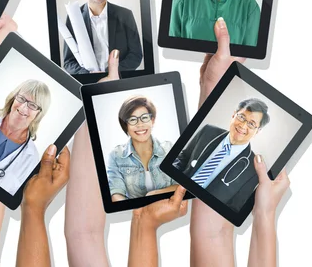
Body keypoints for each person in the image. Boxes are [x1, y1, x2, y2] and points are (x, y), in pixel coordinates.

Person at [64, 18, 290, 267]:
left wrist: (95, 104)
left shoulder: (159, 148)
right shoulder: (210, 135)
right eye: (242, 119)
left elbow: (83, 235)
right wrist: (213, 86)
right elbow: (211, 235)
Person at [173, 97, 270, 211]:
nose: (243, 126)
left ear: (257, 131)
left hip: (203, 214)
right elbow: (182, 158)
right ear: (233, 115)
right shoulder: (208, 131)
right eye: (242, 117)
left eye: (251, 124)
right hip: (175, 190)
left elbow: (234, 207)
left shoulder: (253, 170)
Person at [62, 0, 143, 75]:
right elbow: (69, 62)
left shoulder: (125, 15)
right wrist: (88, 75)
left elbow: (135, 55)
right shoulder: (74, 17)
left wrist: (112, 72)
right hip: (88, 84)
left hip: (118, 80)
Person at [107, 95, 177, 201]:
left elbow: (181, 186)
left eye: (144, 118)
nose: (140, 124)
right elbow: (116, 193)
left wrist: (155, 194)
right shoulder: (116, 155)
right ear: (126, 125)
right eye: (132, 119)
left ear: (152, 120)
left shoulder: (169, 149)